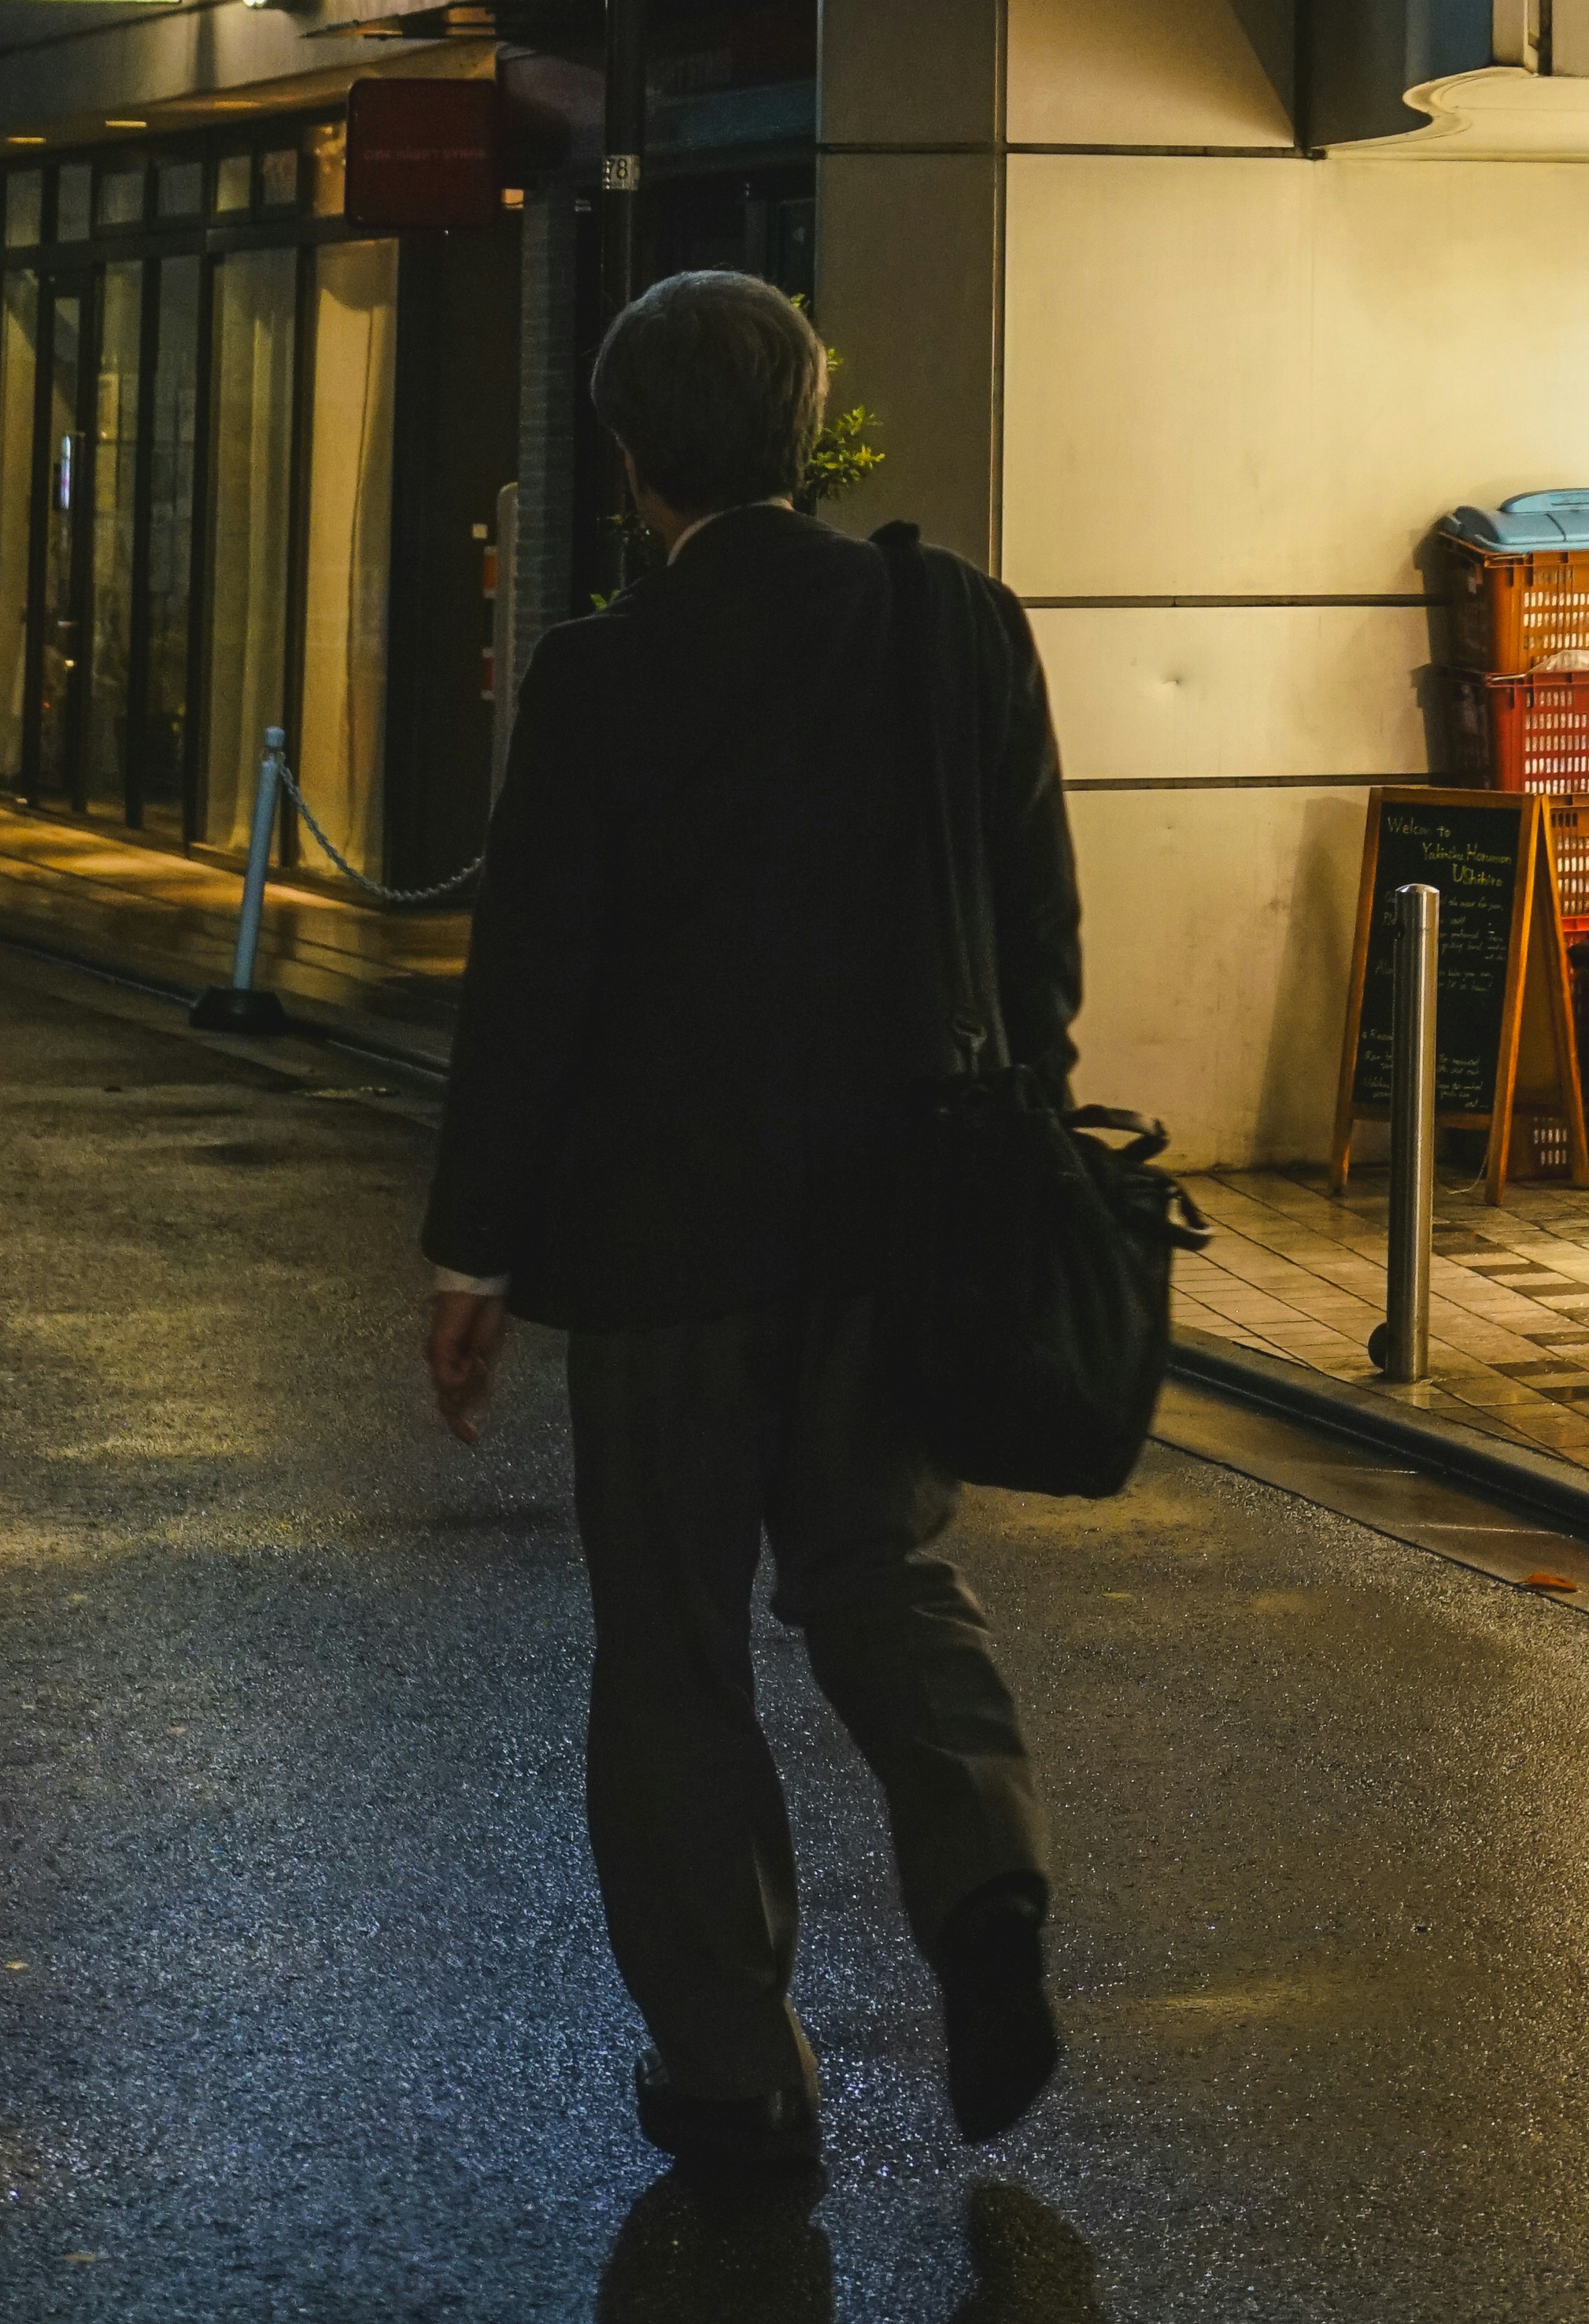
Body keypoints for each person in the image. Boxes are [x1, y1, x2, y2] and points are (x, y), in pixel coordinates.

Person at [420, 271, 1081, 2199]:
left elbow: (532, 987)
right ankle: (984, 1887)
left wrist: (474, 1257)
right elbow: (1034, 927)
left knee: (675, 1647)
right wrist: (1017, 1135)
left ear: (631, 461)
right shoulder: (952, 628)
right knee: (880, 1572)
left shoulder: (603, 676)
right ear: (809, 429)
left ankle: (733, 2070)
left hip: (656, 1255)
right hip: (901, 1227)